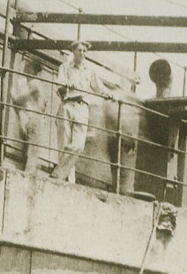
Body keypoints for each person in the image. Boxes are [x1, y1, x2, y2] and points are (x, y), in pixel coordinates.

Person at [52, 41, 117, 183]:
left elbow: (98, 87)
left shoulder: (90, 71)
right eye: (79, 50)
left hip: (82, 107)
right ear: (73, 51)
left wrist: (108, 93)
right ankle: (69, 180)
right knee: (64, 145)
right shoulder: (65, 67)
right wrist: (67, 85)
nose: (82, 53)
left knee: (78, 145)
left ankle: (58, 175)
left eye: (84, 51)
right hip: (67, 105)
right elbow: (59, 88)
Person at [11, 56, 48, 173]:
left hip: (34, 119)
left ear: (33, 70)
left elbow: (20, 99)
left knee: (32, 152)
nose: (25, 69)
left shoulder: (34, 83)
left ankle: (29, 174)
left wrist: (13, 96)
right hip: (32, 118)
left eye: (28, 67)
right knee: (31, 151)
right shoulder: (33, 83)